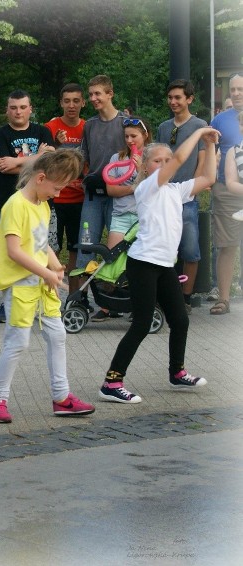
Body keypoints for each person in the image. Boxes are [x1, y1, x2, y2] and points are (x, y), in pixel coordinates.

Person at [99, 128, 218, 404]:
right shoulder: (146, 187)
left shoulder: (176, 190)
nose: (164, 164)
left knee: (180, 320)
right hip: (142, 264)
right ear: (144, 165)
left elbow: (209, 177)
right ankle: (111, 382)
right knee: (141, 324)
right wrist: (200, 131)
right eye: (157, 160)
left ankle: (177, 373)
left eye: (166, 161)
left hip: (164, 265)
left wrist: (210, 146)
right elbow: (178, 159)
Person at [0, 150, 95, 423]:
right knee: (18, 341)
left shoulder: (42, 205)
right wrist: (46, 272)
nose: (57, 194)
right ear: (41, 178)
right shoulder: (15, 205)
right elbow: (14, 250)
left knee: (57, 335)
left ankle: (61, 397)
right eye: (57, 188)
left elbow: (40, 243)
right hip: (21, 284)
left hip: (41, 282)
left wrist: (55, 266)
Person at [0, 89, 55, 323]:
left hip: (41, 203)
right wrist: (37, 156)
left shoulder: (43, 131)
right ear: (7, 110)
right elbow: (2, 167)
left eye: (23, 107)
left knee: (44, 249)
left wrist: (17, 161)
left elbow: (49, 164)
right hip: (9, 203)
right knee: (12, 253)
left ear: (30, 109)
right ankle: (6, 305)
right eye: (13, 107)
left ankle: (44, 300)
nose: (18, 111)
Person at [91, 117, 152, 322]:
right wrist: (134, 189)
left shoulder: (153, 158)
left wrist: (142, 170)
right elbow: (111, 190)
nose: (130, 140)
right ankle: (108, 306)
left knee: (140, 264)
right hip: (120, 216)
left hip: (143, 217)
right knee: (112, 259)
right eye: (126, 136)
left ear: (145, 135)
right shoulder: (116, 158)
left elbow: (155, 188)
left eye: (134, 136)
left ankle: (139, 306)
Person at [156, 80, 207, 314]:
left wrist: (193, 188)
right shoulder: (164, 127)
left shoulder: (199, 125)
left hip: (187, 197)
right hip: (165, 197)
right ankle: (164, 296)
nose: (173, 102)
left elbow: (202, 159)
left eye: (178, 97)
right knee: (164, 248)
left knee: (190, 249)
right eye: (170, 98)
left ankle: (186, 297)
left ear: (189, 99)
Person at [77, 75, 126, 283]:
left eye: (98, 93)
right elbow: (82, 158)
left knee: (116, 248)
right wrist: (80, 178)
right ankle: (81, 299)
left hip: (120, 195)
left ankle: (111, 300)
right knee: (86, 246)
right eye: (91, 95)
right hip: (94, 195)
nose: (94, 98)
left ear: (110, 94)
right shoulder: (89, 125)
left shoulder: (126, 122)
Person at [45, 83, 86, 295]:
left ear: (83, 103)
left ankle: (74, 297)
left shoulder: (87, 127)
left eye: (76, 101)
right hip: (54, 200)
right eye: (67, 101)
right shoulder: (50, 128)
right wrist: (56, 144)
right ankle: (48, 294)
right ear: (61, 103)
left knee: (75, 249)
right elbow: (42, 162)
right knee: (51, 249)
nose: (71, 105)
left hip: (79, 200)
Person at [208, 73, 243, 315]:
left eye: (241, 89)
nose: (237, 93)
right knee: (226, 245)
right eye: (233, 89)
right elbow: (211, 151)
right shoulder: (219, 120)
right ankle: (223, 298)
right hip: (227, 190)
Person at [216, 113, 243, 315]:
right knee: (228, 246)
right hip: (236, 203)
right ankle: (224, 299)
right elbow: (231, 182)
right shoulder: (235, 150)